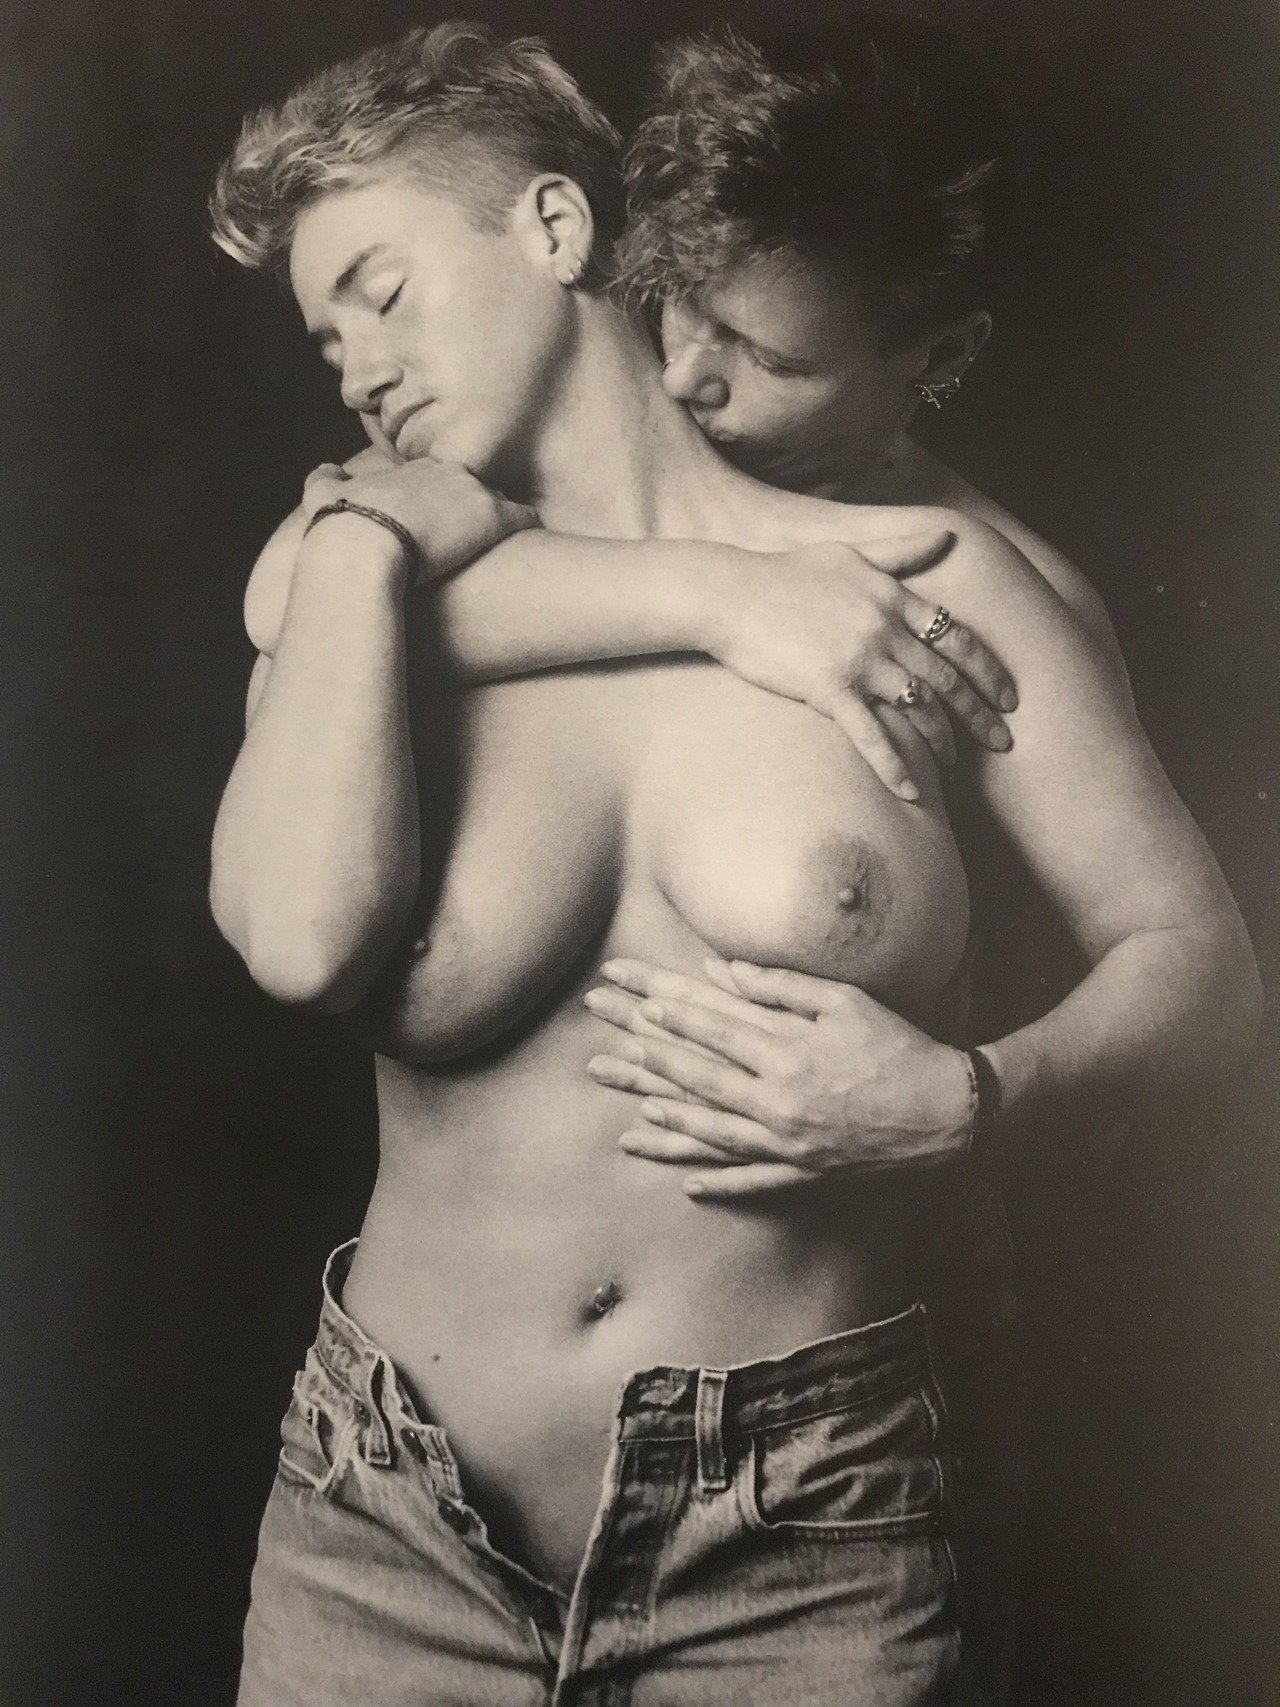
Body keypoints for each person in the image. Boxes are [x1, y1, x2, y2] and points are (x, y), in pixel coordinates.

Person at [208, 22, 1260, 1706]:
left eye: (381, 294)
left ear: (557, 228)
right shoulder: (361, 584)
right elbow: (300, 942)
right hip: (386, 1522)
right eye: (326, 335)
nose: (354, 367)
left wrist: (965, 1100)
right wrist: (378, 555)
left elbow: (1203, 978)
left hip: (799, 1543)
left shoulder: (919, 580)